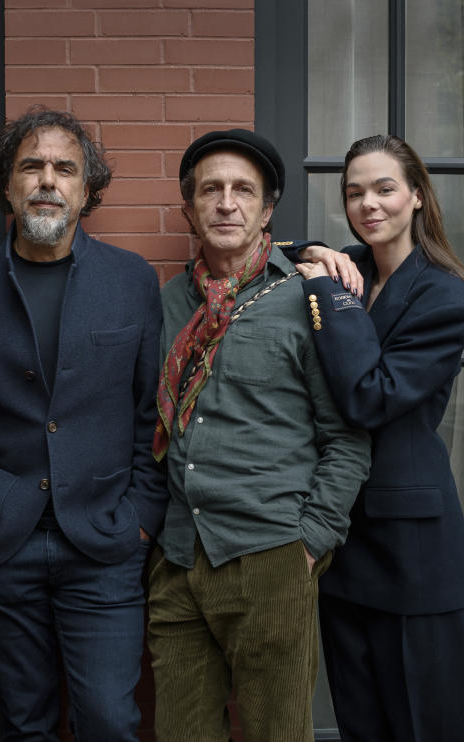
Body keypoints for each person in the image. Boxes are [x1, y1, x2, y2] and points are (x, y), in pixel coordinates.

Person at [0, 109, 167, 742]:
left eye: (65, 168)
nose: (48, 180)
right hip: (1, 542)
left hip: (104, 543)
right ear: (8, 185)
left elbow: (151, 415)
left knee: (109, 718)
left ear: (86, 189)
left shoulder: (130, 281)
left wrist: (137, 519)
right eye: (32, 166)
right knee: (25, 724)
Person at [148, 128, 371, 742]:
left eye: (243, 190)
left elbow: (348, 435)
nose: (226, 203)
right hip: (176, 555)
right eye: (210, 190)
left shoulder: (308, 296)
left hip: (271, 555)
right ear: (189, 206)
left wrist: (309, 541)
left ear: (267, 209)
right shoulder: (169, 302)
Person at [293, 134, 464, 741]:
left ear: (416, 198)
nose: (368, 204)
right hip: (343, 542)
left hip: (414, 554)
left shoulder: (445, 295)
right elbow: (274, 252)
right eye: (354, 193)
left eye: (384, 189)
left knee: (428, 726)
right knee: (363, 725)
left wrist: (324, 290)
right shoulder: (347, 264)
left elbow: (371, 396)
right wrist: (315, 249)